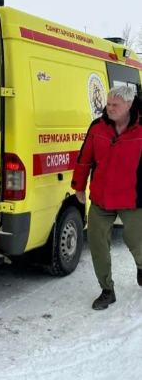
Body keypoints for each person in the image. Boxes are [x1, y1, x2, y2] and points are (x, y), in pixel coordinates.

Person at [72, 85, 142, 310]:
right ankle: (107, 290)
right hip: (101, 198)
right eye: (108, 104)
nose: (108, 108)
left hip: (133, 198)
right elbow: (85, 157)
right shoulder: (97, 127)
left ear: (129, 105)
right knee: (97, 243)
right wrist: (79, 186)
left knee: (136, 241)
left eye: (115, 105)